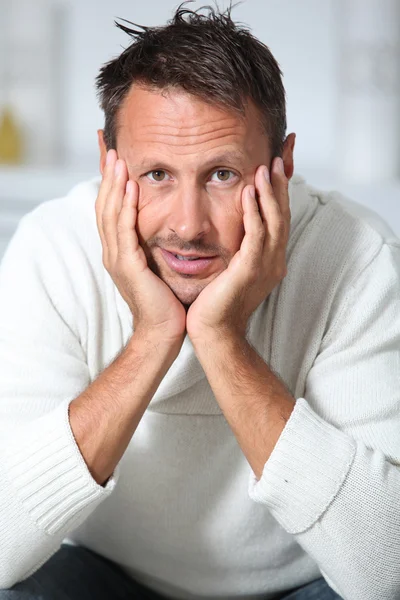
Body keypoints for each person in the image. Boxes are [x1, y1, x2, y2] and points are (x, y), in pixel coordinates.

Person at [0, 3, 399, 600]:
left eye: (222, 175)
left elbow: (384, 571)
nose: (188, 227)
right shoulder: (54, 249)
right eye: (157, 174)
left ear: (282, 166)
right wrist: (153, 338)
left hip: (302, 588)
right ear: (110, 165)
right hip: (106, 579)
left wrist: (220, 338)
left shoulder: (355, 255)